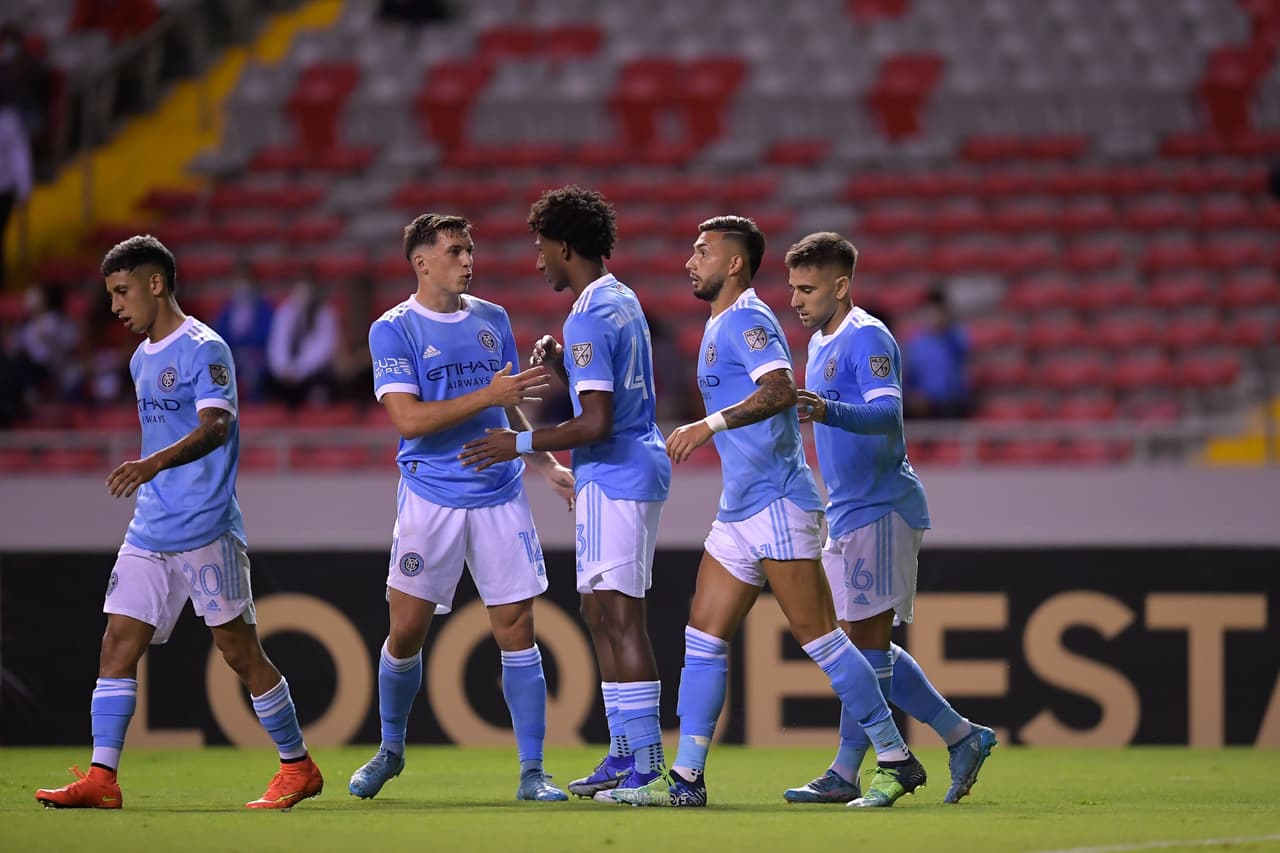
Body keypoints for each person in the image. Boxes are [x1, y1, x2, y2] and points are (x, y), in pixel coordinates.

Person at [613, 216, 925, 808]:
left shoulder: (750, 318)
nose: (690, 260)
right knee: (702, 636)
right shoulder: (716, 326)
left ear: (734, 263)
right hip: (738, 508)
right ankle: (685, 781)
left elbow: (780, 390)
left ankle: (894, 755)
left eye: (702, 251)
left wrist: (710, 423)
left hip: (780, 501)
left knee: (821, 640)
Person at [34, 235, 323, 810]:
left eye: (122, 291)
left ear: (156, 283)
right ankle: (102, 778)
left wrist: (152, 463)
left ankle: (298, 767)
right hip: (151, 527)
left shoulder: (204, 347)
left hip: (206, 525)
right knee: (117, 641)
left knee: (239, 651)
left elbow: (217, 426)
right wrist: (151, 475)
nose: (115, 306)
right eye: (110, 295)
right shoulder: (142, 358)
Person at [349, 213, 575, 803]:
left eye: (470, 249)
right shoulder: (392, 329)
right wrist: (490, 395)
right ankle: (391, 749)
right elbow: (409, 420)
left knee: (518, 628)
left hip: (499, 491)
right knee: (406, 631)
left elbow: (507, 405)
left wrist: (541, 460)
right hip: (431, 496)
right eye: (454, 250)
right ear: (422, 262)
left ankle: (532, 771)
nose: (467, 259)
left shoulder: (491, 318)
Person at [460, 186, 672, 801]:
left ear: (566, 246)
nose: (537, 261)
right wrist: (564, 369)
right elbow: (604, 393)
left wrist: (519, 447)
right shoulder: (617, 298)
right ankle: (624, 751)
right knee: (599, 610)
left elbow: (598, 422)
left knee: (622, 616)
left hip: (619, 469)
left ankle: (647, 768)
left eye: (542, 247)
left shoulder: (589, 313)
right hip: (615, 471)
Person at [783, 231, 998, 805]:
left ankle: (858, 770)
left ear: (842, 285)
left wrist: (826, 409)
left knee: (866, 649)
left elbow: (885, 413)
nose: (797, 300)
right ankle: (961, 735)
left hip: (882, 506)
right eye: (793, 289)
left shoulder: (867, 335)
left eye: (808, 289)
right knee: (859, 645)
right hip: (847, 511)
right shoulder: (821, 343)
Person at [264, 279, 339, 407]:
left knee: (324, 386)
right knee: (266, 382)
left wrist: (298, 371)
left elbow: (323, 349)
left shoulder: (325, 313)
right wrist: (283, 370)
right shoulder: (285, 311)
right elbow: (277, 344)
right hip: (284, 375)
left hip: (310, 374)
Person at [902, 287, 971, 419]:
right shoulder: (916, 342)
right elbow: (908, 375)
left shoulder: (955, 335)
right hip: (922, 404)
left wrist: (947, 327)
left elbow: (962, 354)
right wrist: (914, 396)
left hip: (950, 402)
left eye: (938, 311)